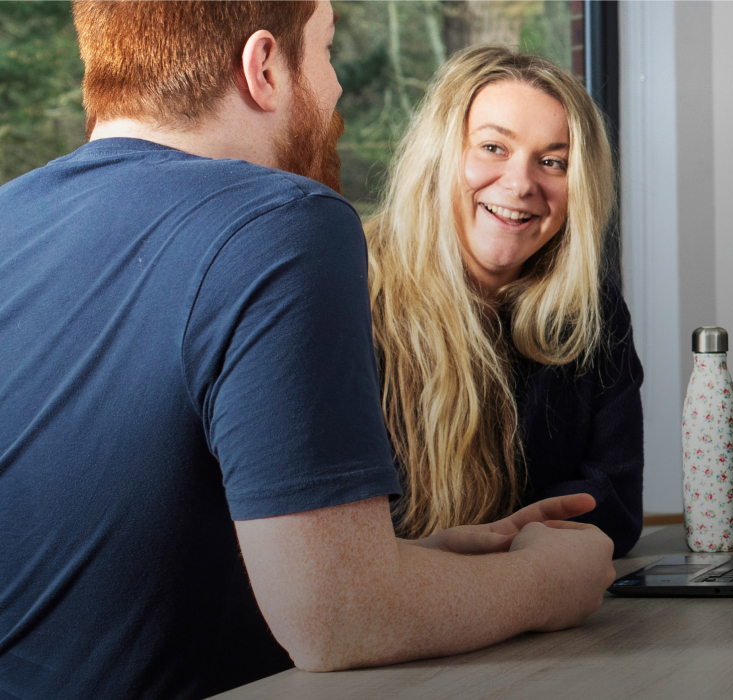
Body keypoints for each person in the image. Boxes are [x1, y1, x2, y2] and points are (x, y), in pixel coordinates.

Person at [0, 4, 614, 698]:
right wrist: (546, 582)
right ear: (263, 67)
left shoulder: (11, 217)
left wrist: (409, 561)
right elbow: (339, 621)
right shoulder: (282, 219)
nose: (337, 91)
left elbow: (120, 567)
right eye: (323, 53)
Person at [365, 46, 644, 557]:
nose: (520, 184)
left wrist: (499, 540)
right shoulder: (348, 291)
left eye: (552, 162)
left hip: (541, 615)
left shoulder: (592, 313)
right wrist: (525, 535)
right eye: (493, 148)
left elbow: (617, 507)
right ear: (439, 155)